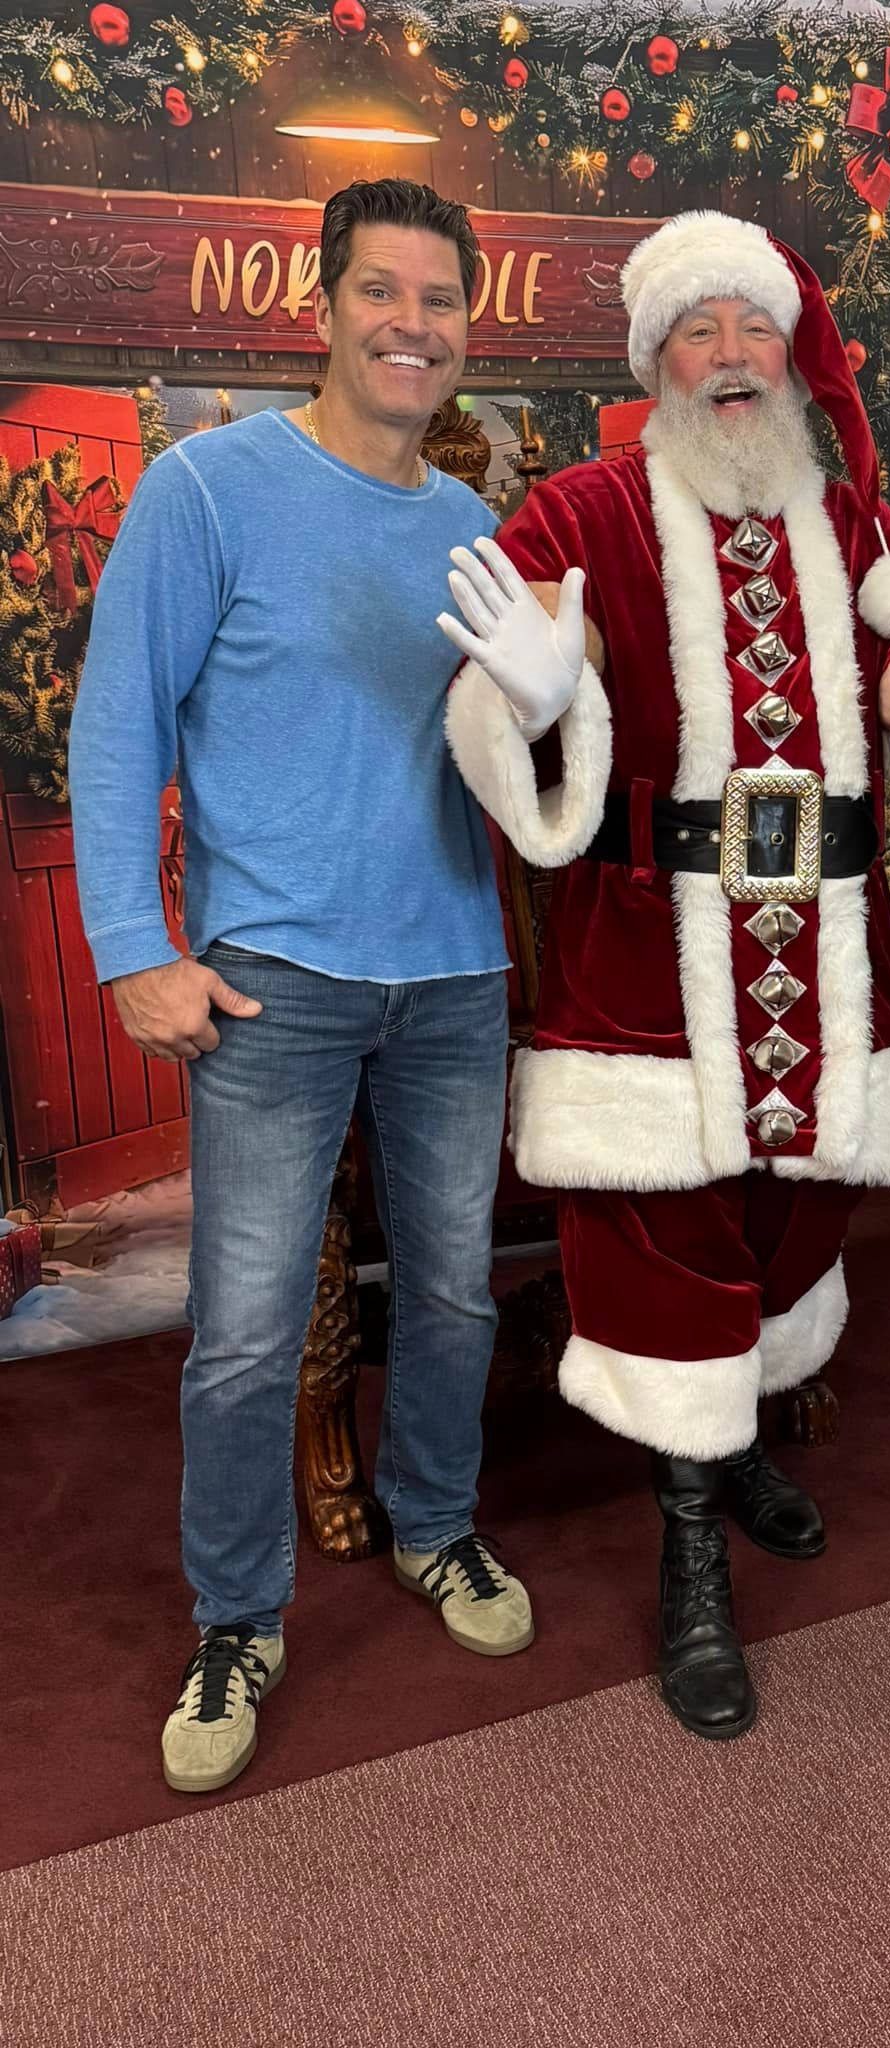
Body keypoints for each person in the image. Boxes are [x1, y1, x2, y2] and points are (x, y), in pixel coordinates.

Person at [436, 212, 890, 1739]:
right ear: (656, 363)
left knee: (795, 1215)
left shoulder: (859, 529)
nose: (732, 357)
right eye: (699, 333)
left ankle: (736, 1444)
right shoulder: (588, 510)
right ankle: (690, 1544)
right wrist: (537, 704)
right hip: (653, 953)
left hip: (828, 941)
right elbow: (498, 698)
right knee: (666, 1234)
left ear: (790, 352)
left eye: (755, 328)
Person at [70, 178, 533, 1797]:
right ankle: (236, 1615)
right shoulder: (210, 490)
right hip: (270, 982)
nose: (416, 325)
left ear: (469, 326)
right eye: (384, 293)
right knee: (248, 1335)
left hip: (459, 975)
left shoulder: (479, 535)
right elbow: (120, 718)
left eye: (442, 301)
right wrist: (133, 946)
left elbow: (517, 749)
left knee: (460, 1297)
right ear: (323, 306)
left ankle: (438, 1526)